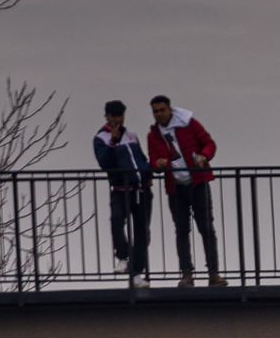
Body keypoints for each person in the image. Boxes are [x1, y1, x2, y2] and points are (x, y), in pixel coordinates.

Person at [147, 95, 227, 287]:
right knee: (182, 230)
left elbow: (210, 143)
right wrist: (158, 164)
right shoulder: (153, 135)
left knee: (206, 228)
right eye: (155, 111)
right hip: (176, 188)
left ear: (170, 110)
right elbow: (152, 161)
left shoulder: (189, 124)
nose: (159, 114)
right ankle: (187, 274)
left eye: (162, 110)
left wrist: (204, 156)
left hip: (198, 183)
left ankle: (214, 273)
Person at [93, 101, 151, 287]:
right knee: (117, 220)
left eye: (120, 115)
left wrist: (148, 174)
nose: (117, 119)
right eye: (113, 116)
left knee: (142, 232)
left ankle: (136, 274)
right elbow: (105, 163)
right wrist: (113, 142)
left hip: (140, 190)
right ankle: (123, 257)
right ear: (107, 116)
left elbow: (141, 159)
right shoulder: (101, 138)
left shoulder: (132, 136)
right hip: (120, 190)